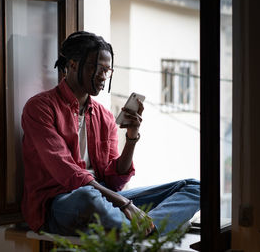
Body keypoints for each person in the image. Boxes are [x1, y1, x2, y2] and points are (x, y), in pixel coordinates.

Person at [21, 31, 200, 237]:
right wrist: (124, 203)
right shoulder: (40, 108)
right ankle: (140, 231)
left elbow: (115, 182)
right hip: (60, 203)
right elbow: (67, 173)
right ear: (72, 64)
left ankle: (145, 230)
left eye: (107, 70)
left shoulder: (104, 116)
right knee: (86, 197)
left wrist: (132, 137)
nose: (103, 76)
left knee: (195, 187)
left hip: (105, 199)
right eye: (96, 68)